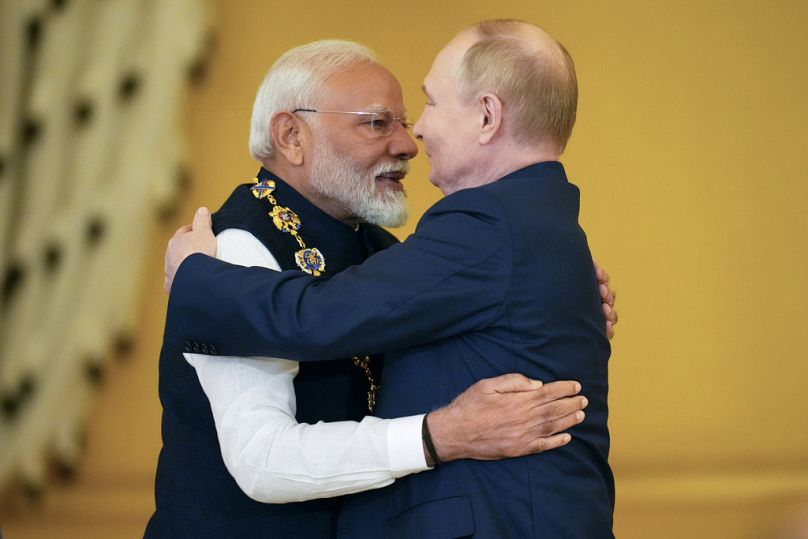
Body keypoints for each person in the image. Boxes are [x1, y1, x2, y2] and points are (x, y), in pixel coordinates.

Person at [148, 38, 616, 538]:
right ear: (290, 135)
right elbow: (264, 460)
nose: (408, 142)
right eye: (376, 123)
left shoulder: (390, 247)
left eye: (415, 113)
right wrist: (439, 436)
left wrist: (554, 297)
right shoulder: (235, 249)